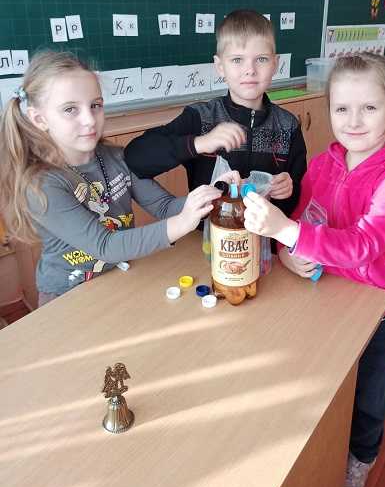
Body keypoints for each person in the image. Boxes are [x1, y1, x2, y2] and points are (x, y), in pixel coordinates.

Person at [241, 53, 385, 487]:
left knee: (366, 393)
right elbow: (304, 217)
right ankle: (314, 445)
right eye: (342, 108)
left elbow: (363, 244)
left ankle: (362, 454)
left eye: (370, 108)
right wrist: (287, 253)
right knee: (319, 380)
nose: (354, 121)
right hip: (320, 294)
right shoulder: (325, 164)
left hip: (374, 310)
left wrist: (286, 233)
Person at [0, 51, 221, 306]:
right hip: (66, 296)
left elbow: (163, 206)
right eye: (70, 109)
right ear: (40, 119)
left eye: (95, 105)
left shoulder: (117, 158)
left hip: (118, 276)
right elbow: (105, 246)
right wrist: (182, 222)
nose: (89, 120)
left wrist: (212, 197)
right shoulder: (42, 183)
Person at [124, 9, 307, 217]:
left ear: (275, 64)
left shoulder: (288, 126)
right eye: (237, 60)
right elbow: (136, 157)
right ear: (220, 66)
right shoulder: (200, 118)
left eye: (261, 59)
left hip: (266, 234)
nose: (250, 70)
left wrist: (289, 189)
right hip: (209, 233)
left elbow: (299, 196)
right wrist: (200, 143)